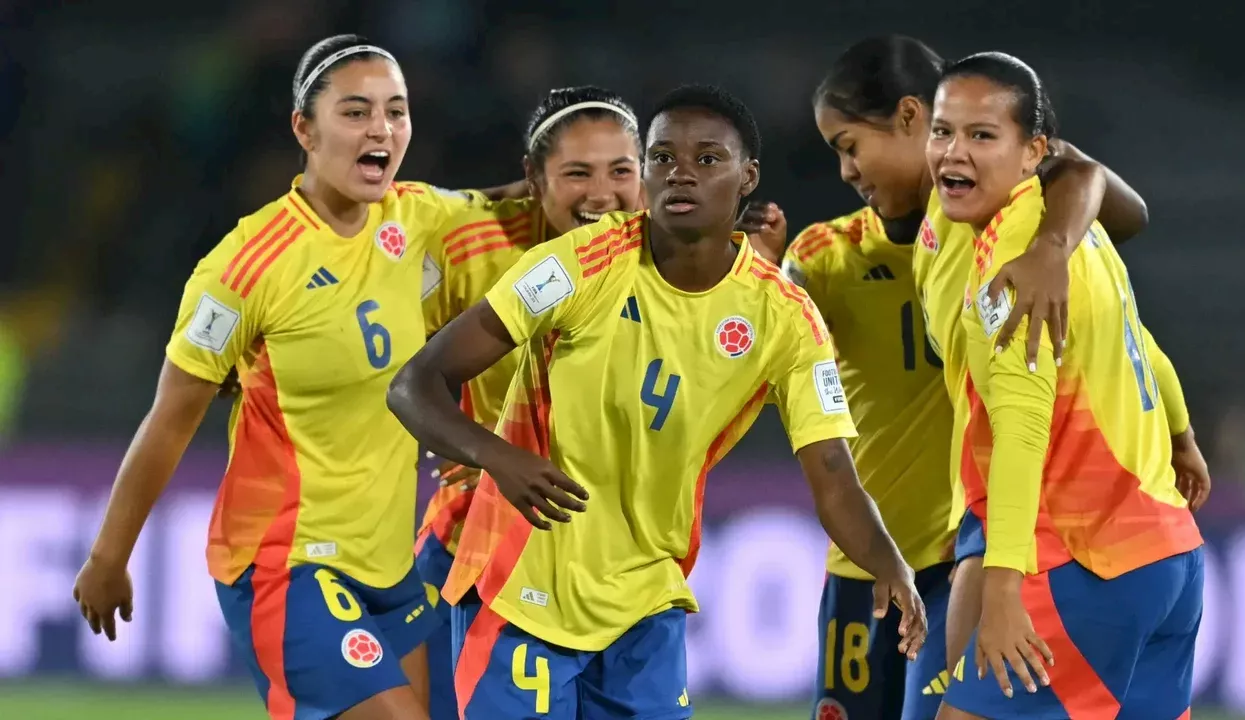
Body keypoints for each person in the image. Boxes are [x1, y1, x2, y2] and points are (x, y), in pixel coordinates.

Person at [387, 84, 927, 720]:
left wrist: (890, 563)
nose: (680, 174)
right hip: (519, 587)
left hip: (646, 601)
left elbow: (834, 476)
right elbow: (414, 384)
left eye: (706, 160)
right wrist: (498, 457)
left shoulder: (784, 318)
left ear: (747, 176)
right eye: (663, 157)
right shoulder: (576, 264)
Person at [740, 35, 1152, 720]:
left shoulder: (1004, 223)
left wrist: (1053, 242)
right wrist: (757, 281)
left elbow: (1113, 202)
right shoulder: (825, 255)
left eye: (849, 145)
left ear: (908, 119)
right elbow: (755, 379)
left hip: (962, 555)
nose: (844, 170)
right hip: (865, 565)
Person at [71, 34, 479, 720]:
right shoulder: (247, 265)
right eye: (355, 112)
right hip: (286, 564)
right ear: (304, 128)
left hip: (388, 568)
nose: (381, 128)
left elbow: (517, 214)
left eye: (396, 111)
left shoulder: (417, 220)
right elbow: (172, 417)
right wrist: (109, 558)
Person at [926, 52, 1205, 720]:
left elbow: (1023, 433)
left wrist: (1002, 589)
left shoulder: (1016, 267)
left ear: (1033, 153)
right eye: (943, 132)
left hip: (1084, 561)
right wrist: (1181, 432)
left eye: (982, 136)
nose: (952, 153)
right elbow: (1139, 338)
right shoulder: (1078, 234)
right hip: (1169, 555)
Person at [412, 85, 646, 720]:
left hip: (620, 560)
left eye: (621, 171)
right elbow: (402, 373)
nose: (602, 194)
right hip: (478, 540)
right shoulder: (468, 249)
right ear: (533, 180)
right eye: (577, 173)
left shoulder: (677, 258)